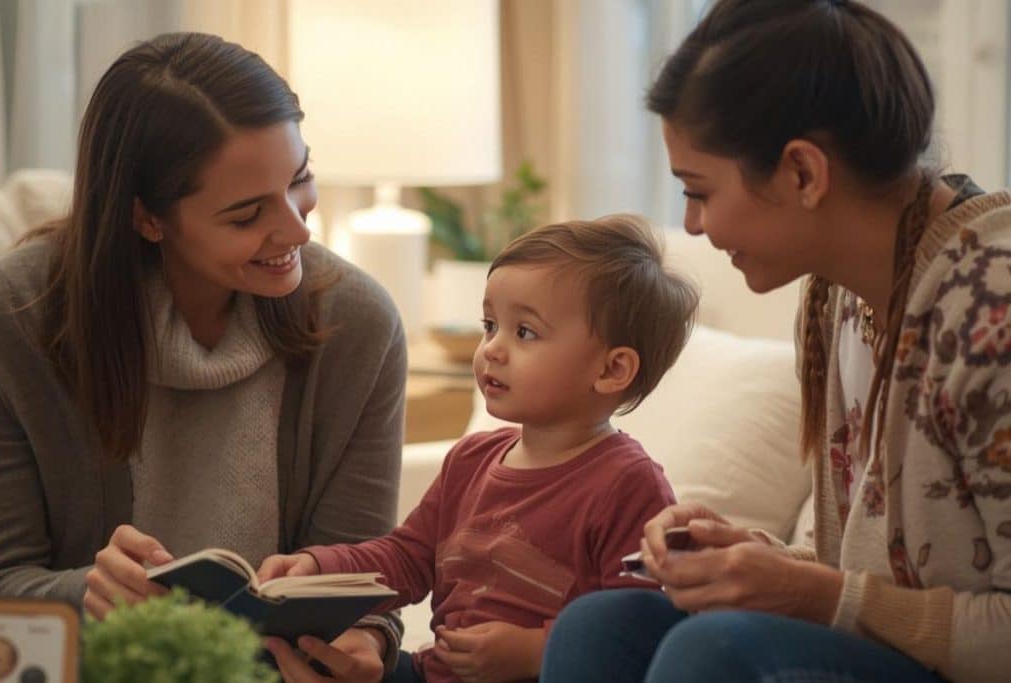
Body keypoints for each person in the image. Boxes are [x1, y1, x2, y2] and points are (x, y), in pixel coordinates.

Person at [540, 1, 1011, 682]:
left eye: (699, 190)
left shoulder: (990, 312)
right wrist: (753, 561)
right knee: (602, 624)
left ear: (802, 173)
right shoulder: (836, 298)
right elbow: (859, 574)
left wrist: (812, 594)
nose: (692, 224)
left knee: (716, 651)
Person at [0, 33, 407, 682]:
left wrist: (367, 638)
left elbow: (354, 572)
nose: (297, 230)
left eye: (300, 179)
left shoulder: (360, 326)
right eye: (247, 214)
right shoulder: (12, 320)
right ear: (148, 218)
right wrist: (89, 593)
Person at [258, 214, 699, 683]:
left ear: (612, 370)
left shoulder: (629, 485)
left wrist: (534, 652)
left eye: (524, 332)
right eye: (490, 325)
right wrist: (319, 569)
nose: (492, 348)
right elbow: (405, 559)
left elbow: (637, 628)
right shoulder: (471, 460)